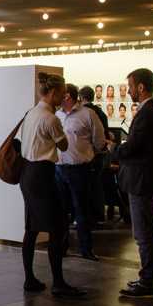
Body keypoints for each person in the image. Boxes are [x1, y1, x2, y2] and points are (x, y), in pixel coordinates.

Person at [19, 73, 85, 298]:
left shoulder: (31, 114)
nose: (65, 96)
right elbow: (65, 146)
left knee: (31, 228)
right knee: (58, 228)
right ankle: (58, 282)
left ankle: (30, 278)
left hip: (27, 174)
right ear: (54, 92)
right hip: (42, 175)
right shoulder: (51, 118)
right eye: (63, 92)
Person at [115, 68, 153, 298]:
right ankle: (148, 278)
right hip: (146, 179)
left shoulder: (147, 114)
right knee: (145, 231)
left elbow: (134, 146)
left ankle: (148, 282)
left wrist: (114, 150)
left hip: (141, 181)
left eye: (130, 86)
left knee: (143, 233)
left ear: (141, 87)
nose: (128, 91)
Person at [56, 84, 106, 261]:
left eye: (60, 94)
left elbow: (99, 141)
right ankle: (61, 247)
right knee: (61, 211)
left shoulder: (88, 114)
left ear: (68, 96)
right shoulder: (57, 115)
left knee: (81, 210)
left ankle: (86, 249)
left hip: (80, 170)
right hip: (59, 169)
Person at [80, 86, 110, 224]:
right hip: (101, 154)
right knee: (98, 184)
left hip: (90, 154)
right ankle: (99, 215)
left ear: (81, 97)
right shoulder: (101, 112)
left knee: (89, 186)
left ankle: (91, 215)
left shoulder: (85, 113)